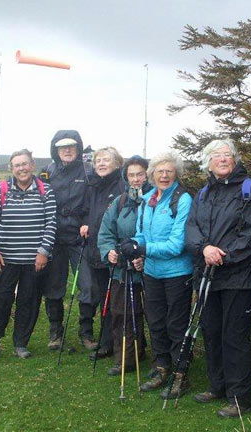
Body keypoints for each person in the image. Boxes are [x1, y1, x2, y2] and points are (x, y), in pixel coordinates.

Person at [185, 138, 251, 417]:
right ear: (208, 162)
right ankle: (217, 386)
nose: (222, 159)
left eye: (227, 155)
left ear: (235, 160)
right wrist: (205, 249)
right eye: (216, 156)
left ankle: (240, 398)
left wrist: (224, 255)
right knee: (212, 332)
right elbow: (192, 228)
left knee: (235, 337)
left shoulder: (250, 190)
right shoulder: (204, 193)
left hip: (239, 277)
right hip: (208, 275)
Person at [120, 151, 193, 399]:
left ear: (176, 174)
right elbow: (142, 234)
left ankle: (180, 375)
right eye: (159, 171)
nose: (164, 175)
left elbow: (177, 244)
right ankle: (161, 368)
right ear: (151, 175)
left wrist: (143, 249)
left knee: (176, 325)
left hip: (177, 273)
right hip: (152, 273)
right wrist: (132, 243)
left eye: (169, 171)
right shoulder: (148, 199)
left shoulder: (183, 200)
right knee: (156, 322)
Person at [0, 149, 56, 361]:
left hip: (35, 261)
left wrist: (44, 252)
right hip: (5, 259)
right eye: (17, 165)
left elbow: (51, 223)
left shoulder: (45, 191)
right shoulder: (2, 190)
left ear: (32, 165)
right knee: (1, 300)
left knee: (29, 301)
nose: (22, 168)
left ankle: (21, 343)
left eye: (25, 164)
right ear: (11, 169)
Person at [40, 130, 96, 351]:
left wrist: (88, 223)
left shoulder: (89, 171)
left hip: (80, 239)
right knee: (54, 287)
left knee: (88, 286)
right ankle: (55, 332)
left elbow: (96, 202)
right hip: (54, 238)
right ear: (55, 149)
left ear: (78, 147)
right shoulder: (47, 172)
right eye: (62, 147)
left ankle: (86, 331)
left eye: (71, 146)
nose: (67, 150)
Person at [97, 155, 151, 375]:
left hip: (149, 270)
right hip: (122, 270)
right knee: (121, 314)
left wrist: (144, 257)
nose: (136, 179)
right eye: (132, 175)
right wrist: (108, 251)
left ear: (148, 174)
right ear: (126, 177)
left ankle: (161, 362)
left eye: (140, 174)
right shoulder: (119, 202)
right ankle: (125, 359)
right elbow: (106, 232)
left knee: (151, 314)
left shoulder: (156, 201)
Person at [80, 147, 126, 360]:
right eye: (98, 160)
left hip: (115, 253)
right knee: (105, 299)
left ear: (117, 163)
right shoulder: (93, 186)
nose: (101, 163)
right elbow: (88, 213)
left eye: (106, 160)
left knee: (118, 301)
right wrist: (85, 224)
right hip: (95, 252)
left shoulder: (121, 186)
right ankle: (107, 342)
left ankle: (121, 346)